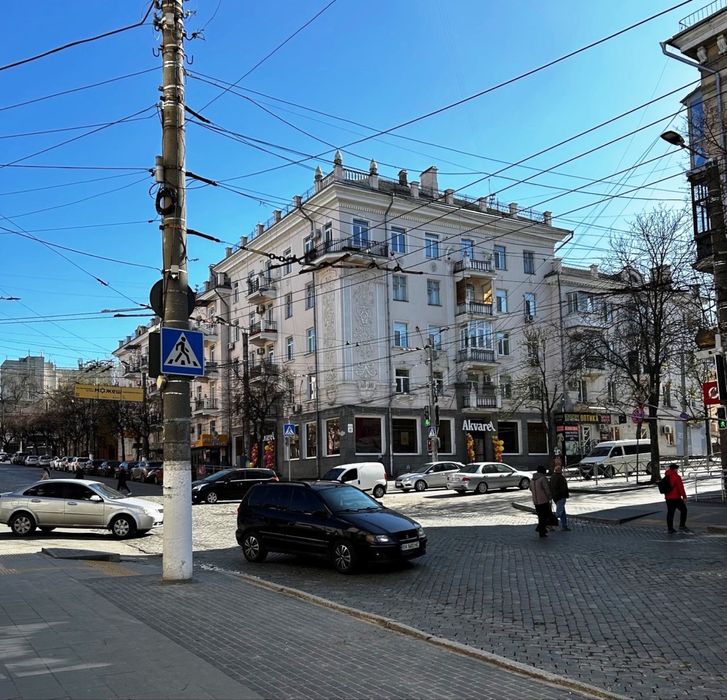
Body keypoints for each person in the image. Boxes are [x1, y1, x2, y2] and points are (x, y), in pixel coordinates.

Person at [663, 463, 688, 533]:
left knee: (670, 513)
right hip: (676, 497)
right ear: (675, 469)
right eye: (677, 469)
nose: (677, 470)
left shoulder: (666, 476)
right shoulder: (677, 477)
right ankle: (682, 525)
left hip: (668, 498)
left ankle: (670, 528)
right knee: (684, 510)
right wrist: (684, 497)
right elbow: (681, 488)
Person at [530, 465, 552, 538]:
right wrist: (549, 496)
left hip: (536, 501)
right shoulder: (543, 479)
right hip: (543, 500)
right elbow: (547, 489)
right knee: (545, 516)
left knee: (540, 516)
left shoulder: (532, 480)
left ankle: (542, 531)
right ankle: (541, 530)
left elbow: (530, 489)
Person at [549, 463, 570, 531]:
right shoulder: (560, 477)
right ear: (559, 470)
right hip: (560, 496)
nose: (561, 470)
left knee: (562, 511)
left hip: (555, 496)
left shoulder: (552, 477)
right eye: (560, 469)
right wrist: (565, 495)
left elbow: (550, 486)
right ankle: (550, 525)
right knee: (559, 512)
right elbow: (563, 488)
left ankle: (564, 525)